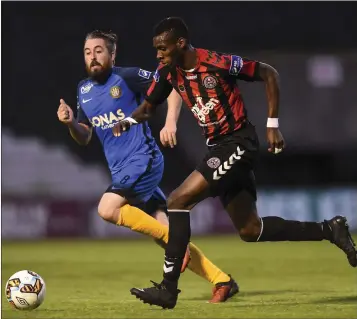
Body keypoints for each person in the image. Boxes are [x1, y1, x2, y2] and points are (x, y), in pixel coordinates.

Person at [111, 17, 357, 309]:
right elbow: (149, 107)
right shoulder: (168, 72)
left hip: (239, 142)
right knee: (251, 230)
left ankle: (168, 289)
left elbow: (268, 73)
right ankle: (330, 229)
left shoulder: (216, 62)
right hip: (218, 147)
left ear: (180, 43)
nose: (158, 54)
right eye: (156, 49)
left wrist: (272, 124)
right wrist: (127, 121)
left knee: (178, 200)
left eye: (162, 48)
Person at [57, 29, 240, 303]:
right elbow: (84, 136)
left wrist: (170, 123)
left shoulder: (127, 77)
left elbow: (174, 85)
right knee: (166, 236)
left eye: (98, 51)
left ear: (112, 54)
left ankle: (177, 247)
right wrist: (71, 122)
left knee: (107, 209)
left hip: (143, 160)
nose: (93, 57)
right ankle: (222, 280)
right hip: (122, 170)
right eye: (87, 52)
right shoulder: (83, 90)